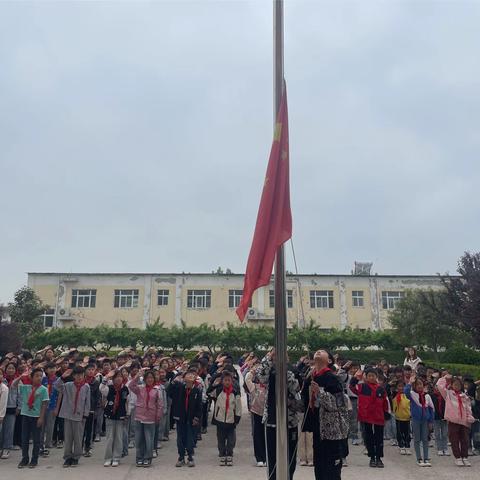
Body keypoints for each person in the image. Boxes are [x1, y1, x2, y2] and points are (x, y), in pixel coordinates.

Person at [256, 349, 303, 480]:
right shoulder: (269, 372)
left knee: (290, 457)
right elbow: (260, 376)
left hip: (289, 421)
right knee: (272, 457)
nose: (277, 357)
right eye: (274, 355)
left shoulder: (292, 371)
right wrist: (268, 358)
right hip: (272, 421)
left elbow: (297, 391)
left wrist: (287, 375)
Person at [303, 350, 345, 480]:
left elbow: (338, 404)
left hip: (331, 432)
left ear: (330, 361)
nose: (319, 351)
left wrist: (320, 393)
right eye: (317, 351)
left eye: (323, 352)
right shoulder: (310, 376)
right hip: (317, 429)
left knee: (331, 468)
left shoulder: (333, 378)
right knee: (319, 467)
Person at [350, 367, 388, 468]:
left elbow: (385, 403)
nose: (371, 377)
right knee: (369, 437)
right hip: (366, 416)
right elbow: (352, 387)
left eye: (373, 376)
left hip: (378, 417)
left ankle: (379, 458)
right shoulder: (362, 387)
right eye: (369, 376)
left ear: (376, 377)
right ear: (366, 377)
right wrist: (356, 377)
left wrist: (386, 414)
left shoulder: (381, 389)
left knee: (379, 438)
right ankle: (372, 458)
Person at [13, 367, 49, 468]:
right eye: (37, 376)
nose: (39, 378)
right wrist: (21, 376)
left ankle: (34, 460)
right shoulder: (26, 387)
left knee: (36, 440)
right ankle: (24, 458)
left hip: (36, 417)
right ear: (32, 377)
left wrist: (41, 418)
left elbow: (44, 404)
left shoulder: (43, 389)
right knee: (24, 439)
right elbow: (13, 385)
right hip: (25, 415)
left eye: (40, 376)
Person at [55, 366, 91, 468]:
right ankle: (67, 457)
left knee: (78, 438)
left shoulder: (86, 387)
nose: (79, 377)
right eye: (77, 375)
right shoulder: (68, 385)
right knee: (68, 437)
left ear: (84, 375)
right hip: (68, 414)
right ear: (73, 376)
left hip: (79, 416)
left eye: (81, 375)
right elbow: (56, 386)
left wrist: (85, 414)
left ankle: (76, 457)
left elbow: (87, 402)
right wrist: (62, 377)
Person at [437, 374, 475, 467]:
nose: (457, 386)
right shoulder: (449, 394)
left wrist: (470, 416)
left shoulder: (464, 396)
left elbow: (468, 408)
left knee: (465, 440)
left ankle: (464, 457)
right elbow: (440, 386)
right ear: (452, 385)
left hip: (464, 421)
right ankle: (458, 457)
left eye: (459, 384)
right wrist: (445, 378)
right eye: (455, 384)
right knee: (454, 439)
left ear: (461, 385)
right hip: (453, 421)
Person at [128, 369, 163, 468]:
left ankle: (148, 458)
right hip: (139, 416)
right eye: (148, 378)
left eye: (151, 378)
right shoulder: (140, 388)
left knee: (149, 439)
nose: (150, 380)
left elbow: (160, 405)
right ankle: (139, 457)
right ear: (145, 379)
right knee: (139, 439)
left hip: (151, 417)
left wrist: (158, 416)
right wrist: (137, 376)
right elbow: (130, 386)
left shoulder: (157, 390)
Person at [169, 369, 202, 467]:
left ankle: (190, 457)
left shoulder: (197, 390)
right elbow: (169, 392)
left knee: (190, 439)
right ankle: (181, 457)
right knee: (180, 438)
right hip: (180, 418)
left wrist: (196, 417)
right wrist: (174, 381)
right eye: (188, 375)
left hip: (191, 419)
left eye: (192, 376)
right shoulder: (179, 388)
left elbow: (199, 406)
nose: (190, 377)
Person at [208, 370, 242, 466]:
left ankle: (229, 454)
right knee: (221, 438)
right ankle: (222, 454)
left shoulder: (235, 393)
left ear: (232, 381)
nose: (227, 382)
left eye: (229, 380)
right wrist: (214, 384)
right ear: (222, 381)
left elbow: (238, 406)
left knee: (231, 439)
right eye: (225, 380)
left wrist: (237, 418)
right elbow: (208, 393)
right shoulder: (218, 391)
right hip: (220, 419)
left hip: (231, 419)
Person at [100, 370, 129, 467]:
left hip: (121, 415)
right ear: (113, 378)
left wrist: (127, 413)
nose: (119, 378)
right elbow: (101, 388)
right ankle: (108, 458)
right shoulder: (109, 388)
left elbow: (127, 403)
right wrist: (106, 377)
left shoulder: (125, 389)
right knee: (109, 437)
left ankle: (116, 457)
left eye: (120, 376)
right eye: (116, 377)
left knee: (118, 437)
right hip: (110, 415)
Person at [404, 375, 434, 467]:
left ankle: (426, 458)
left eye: (421, 384)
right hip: (416, 420)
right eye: (417, 385)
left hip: (425, 420)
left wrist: (430, 422)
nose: (419, 386)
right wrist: (409, 383)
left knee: (425, 440)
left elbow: (431, 409)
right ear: (414, 386)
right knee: (417, 439)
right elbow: (406, 392)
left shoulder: (427, 396)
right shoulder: (412, 394)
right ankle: (419, 458)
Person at [391, 379, 411, 455]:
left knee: (407, 433)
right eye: (399, 386)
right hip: (398, 417)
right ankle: (401, 445)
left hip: (407, 417)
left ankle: (407, 446)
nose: (401, 388)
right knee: (399, 432)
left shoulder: (407, 394)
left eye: (403, 386)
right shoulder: (395, 394)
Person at [431, 374, 449, 456]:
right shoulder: (432, 395)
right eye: (437, 386)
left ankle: (445, 448)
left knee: (445, 433)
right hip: (436, 417)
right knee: (437, 433)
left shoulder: (446, 395)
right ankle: (439, 448)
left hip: (444, 417)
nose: (438, 388)